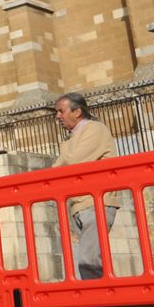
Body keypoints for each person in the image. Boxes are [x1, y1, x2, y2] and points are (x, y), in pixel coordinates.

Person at [53, 93, 119, 280]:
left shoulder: (95, 129)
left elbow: (73, 161)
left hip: (96, 202)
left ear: (78, 111)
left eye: (61, 111)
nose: (57, 116)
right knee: (90, 260)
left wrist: (60, 167)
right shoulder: (69, 139)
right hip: (80, 205)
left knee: (89, 260)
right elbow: (55, 170)